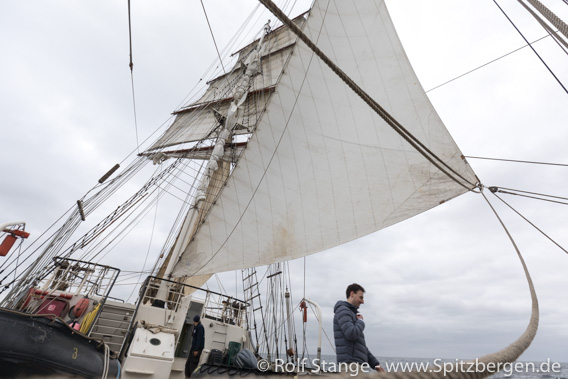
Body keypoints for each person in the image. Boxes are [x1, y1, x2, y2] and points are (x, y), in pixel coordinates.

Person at [333, 283, 385, 373]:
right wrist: (361, 322)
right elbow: (351, 334)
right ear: (352, 294)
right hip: (351, 365)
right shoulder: (343, 310)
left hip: (355, 365)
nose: (363, 301)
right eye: (361, 297)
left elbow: (361, 346)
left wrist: (375, 364)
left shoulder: (351, 314)